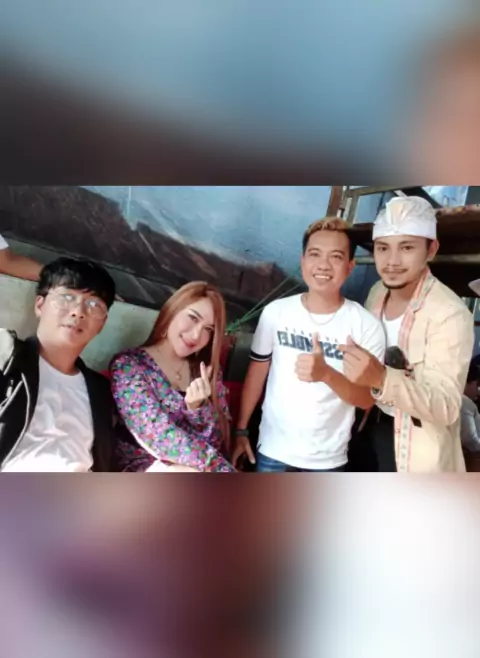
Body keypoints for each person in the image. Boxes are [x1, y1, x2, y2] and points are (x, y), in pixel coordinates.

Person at [232, 217, 386, 473]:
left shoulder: (365, 326)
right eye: (315, 254)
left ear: (350, 266)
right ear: (302, 261)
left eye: (336, 257)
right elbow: (257, 373)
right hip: (273, 451)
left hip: (328, 460)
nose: (323, 264)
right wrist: (241, 430)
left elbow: (366, 400)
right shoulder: (276, 312)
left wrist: (326, 374)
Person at [341, 196, 474, 472]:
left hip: (413, 444)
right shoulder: (378, 291)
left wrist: (381, 378)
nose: (392, 261)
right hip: (367, 422)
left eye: (407, 247)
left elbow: (448, 406)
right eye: (383, 248)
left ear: (431, 249)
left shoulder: (450, 313)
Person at [0, 257, 117, 472]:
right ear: (40, 305)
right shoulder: (6, 356)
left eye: (94, 304)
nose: (78, 312)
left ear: (102, 323)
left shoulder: (99, 390)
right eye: (67, 297)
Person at [110, 281, 235, 472]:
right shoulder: (129, 365)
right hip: (144, 465)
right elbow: (158, 437)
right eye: (193, 318)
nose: (196, 335)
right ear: (172, 311)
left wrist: (197, 409)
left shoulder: (206, 371)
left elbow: (217, 441)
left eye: (208, 329)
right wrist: (216, 466)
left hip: (200, 469)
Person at [460, 360, 480, 454]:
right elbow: (472, 442)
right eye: (477, 385)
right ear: (466, 382)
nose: (478, 391)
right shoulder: (465, 404)